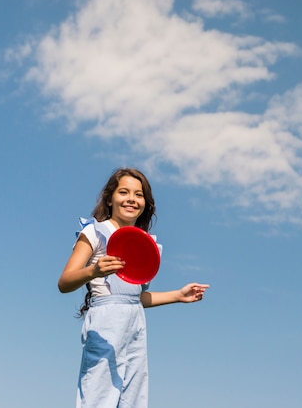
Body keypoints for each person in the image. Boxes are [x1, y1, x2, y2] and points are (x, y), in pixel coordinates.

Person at [58, 167, 209, 408]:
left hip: (136, 324)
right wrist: (93, 271)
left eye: (138, 195)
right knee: (99, 397)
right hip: (105, 323)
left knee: (134, 400)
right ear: (110, 198)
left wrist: (178, 295)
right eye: (124, 192)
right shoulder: (95, 231)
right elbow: (64, 282)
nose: (131, 199)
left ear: (145, 203)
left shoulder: (146, 244)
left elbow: (134, 298)